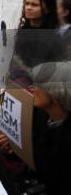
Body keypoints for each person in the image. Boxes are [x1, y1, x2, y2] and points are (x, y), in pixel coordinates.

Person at [28, 61, 71, 194]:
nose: (32, 88)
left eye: (39, 85)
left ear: (57, 93)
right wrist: (14, 149)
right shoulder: (40, 116)